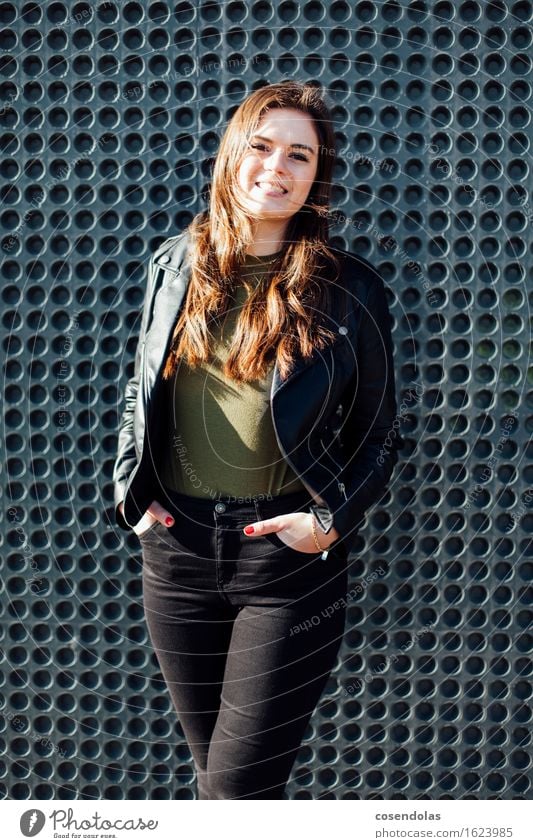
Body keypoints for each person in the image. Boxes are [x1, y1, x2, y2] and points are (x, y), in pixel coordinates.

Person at [113, 80, 403, 800]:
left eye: (298, 155)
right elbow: (138, 391)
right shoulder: (174, 263)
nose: (276, 166)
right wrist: (132, 498)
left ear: (315, 176)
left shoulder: (349, 289)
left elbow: (381, 432)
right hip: (174, 554)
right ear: (230, 155)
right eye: (261, 145)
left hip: (283, 564)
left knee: (237, 788)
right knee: (215, 776)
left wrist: (325, 522)